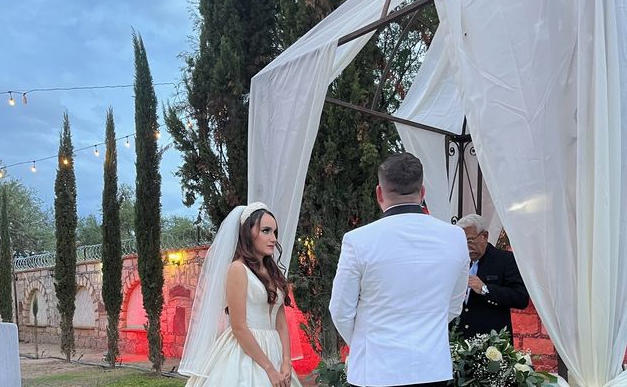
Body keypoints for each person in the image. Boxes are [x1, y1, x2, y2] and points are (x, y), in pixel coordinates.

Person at [329, 153, 470, 387]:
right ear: (423, 192)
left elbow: (340, 310)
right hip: (432, 368)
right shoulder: (455, 237)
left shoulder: (358, 240)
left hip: (376, 370)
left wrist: (366, 343)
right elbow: (454, 305)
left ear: (379, 193)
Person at [179, 202, 302, 387]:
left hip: (274, 349)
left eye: (275, 232)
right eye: (266, 231)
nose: (273, 238)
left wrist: (286, 362)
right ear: (247, 233)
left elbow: (281, 323)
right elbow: (239, 327)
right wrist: (269, 369)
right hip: (246, 352)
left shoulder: (272, 272)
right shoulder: (237, 269)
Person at [455, 214, 529, 339]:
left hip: (491, 343)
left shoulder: (505, 260)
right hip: (458, 340)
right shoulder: (457, 261)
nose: (466, 247)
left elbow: (520, 298)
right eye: (461, 242)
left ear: (485, 236)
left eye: (470, 241)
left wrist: (485, 289)